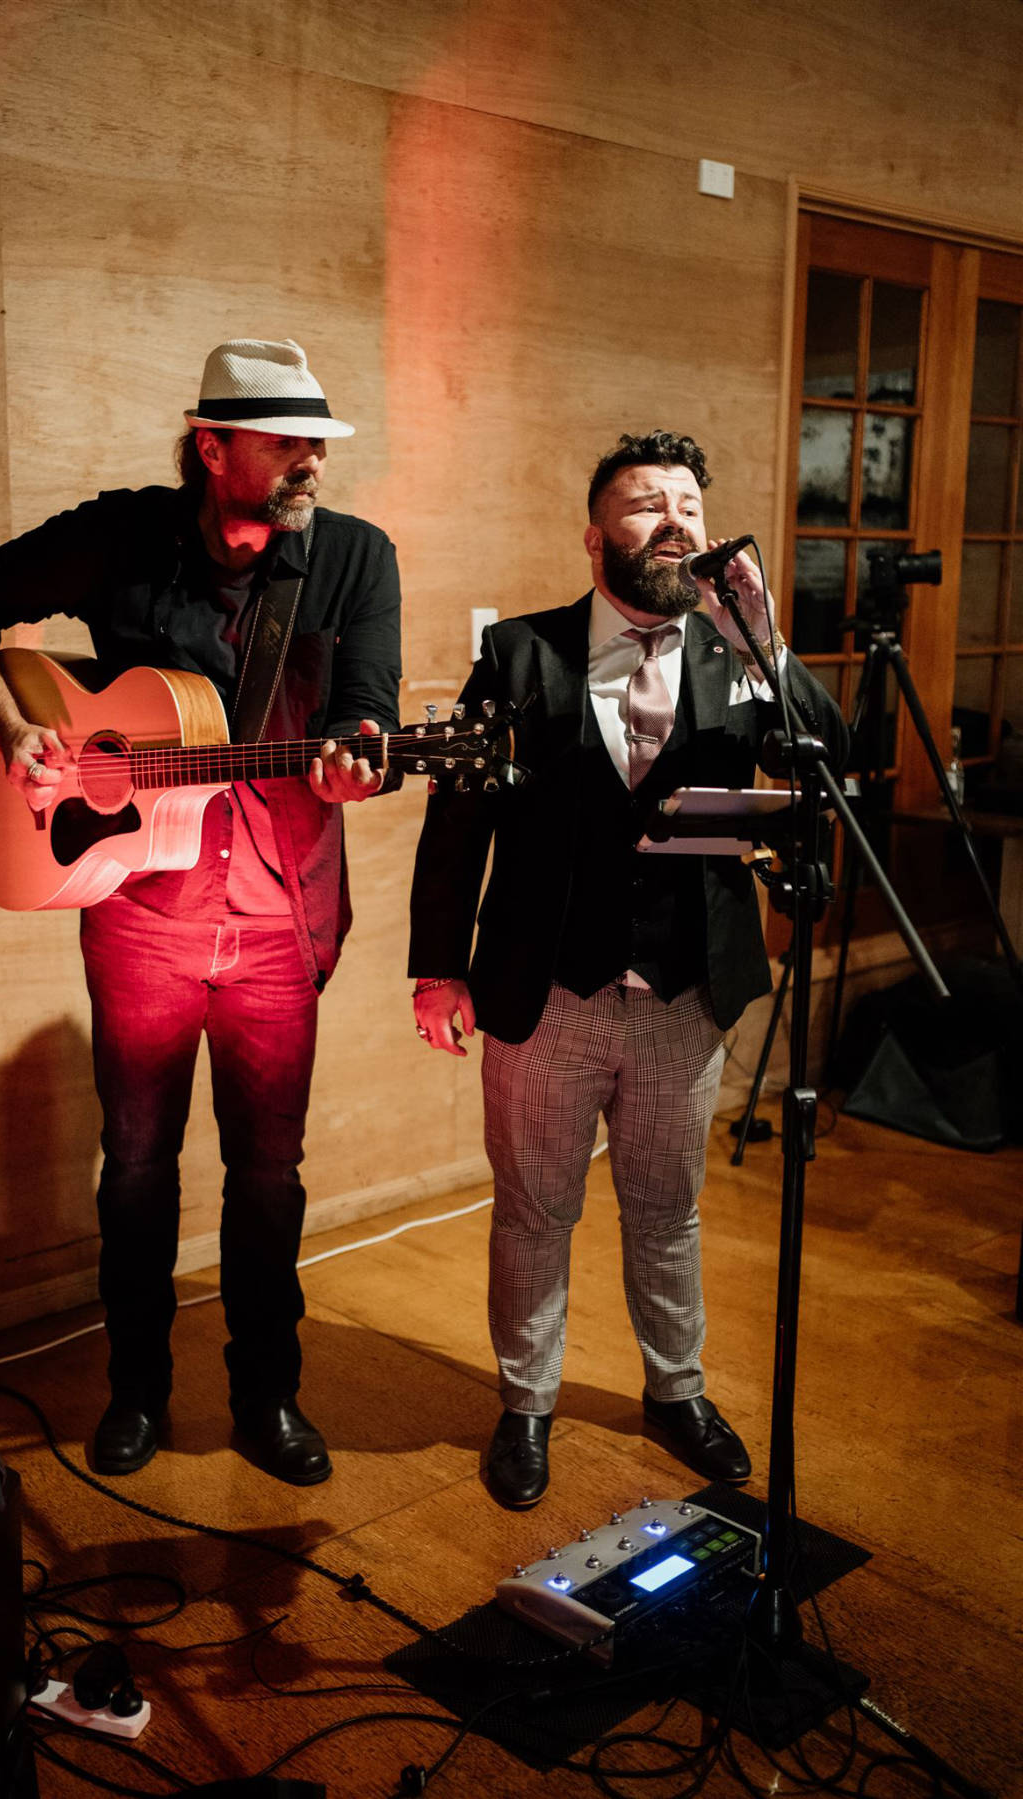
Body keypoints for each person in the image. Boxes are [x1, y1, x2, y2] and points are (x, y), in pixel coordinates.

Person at [0, 338, 402, 1485]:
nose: (307, 467)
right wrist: (11, 729)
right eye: (285, 444)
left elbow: (370, 714)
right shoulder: (126, 536)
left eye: (316, 447)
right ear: (212, 447)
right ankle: (137, 1388)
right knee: (135, 1163)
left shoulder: (353, 561)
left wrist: (358, 764)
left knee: (269, 1175)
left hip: (281, 917)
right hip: (139, 912)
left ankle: (266, 1394)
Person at [409, 430, 847, 1509]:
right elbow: (457, 821)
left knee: (668, 1207)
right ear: (596, 534)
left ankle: (676, 1391)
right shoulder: (520, 652)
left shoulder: (739, 657)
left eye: (689, 502)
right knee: (533, 1209)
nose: (676, 520)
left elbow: (835, 764)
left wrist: (768, 647)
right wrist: (437, 966)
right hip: (543, 990)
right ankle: (525, 1403)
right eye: (648, 502)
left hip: (685, 995)